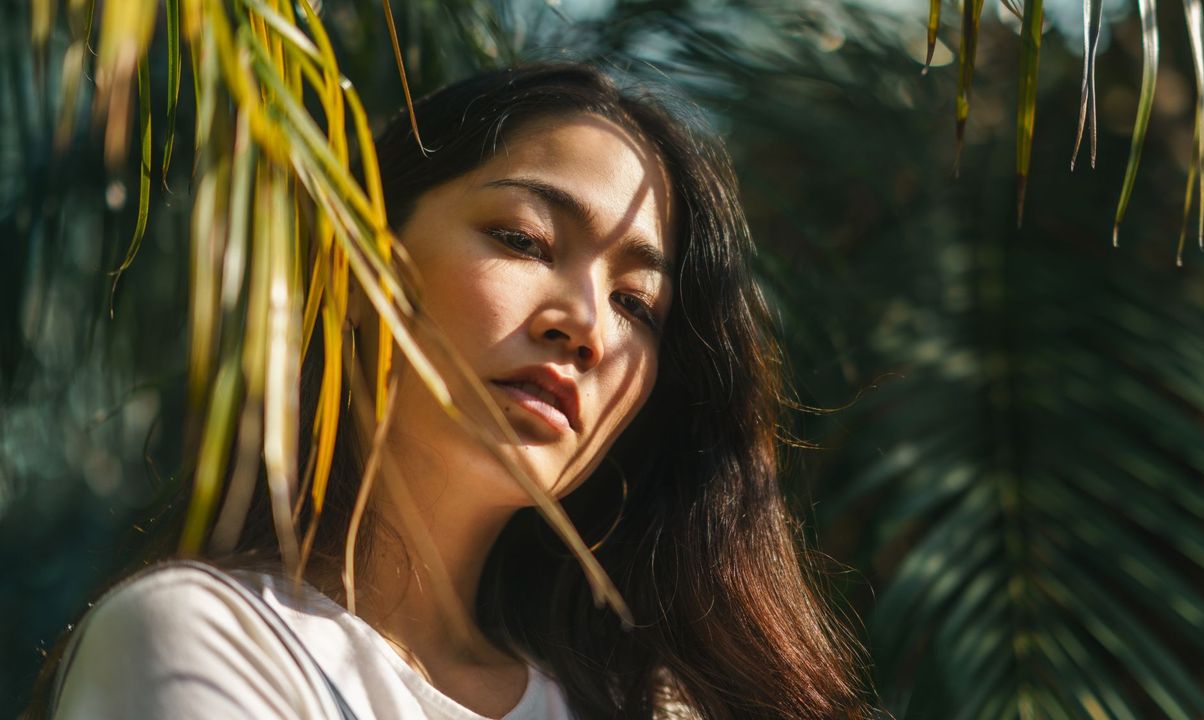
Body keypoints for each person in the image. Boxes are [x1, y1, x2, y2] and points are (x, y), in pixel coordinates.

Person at [31, 62, 874, 719]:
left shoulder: (645, 705)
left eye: (636, 304)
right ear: (360, 266)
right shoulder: (211, 638)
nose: (585, 324)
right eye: (524, 238)